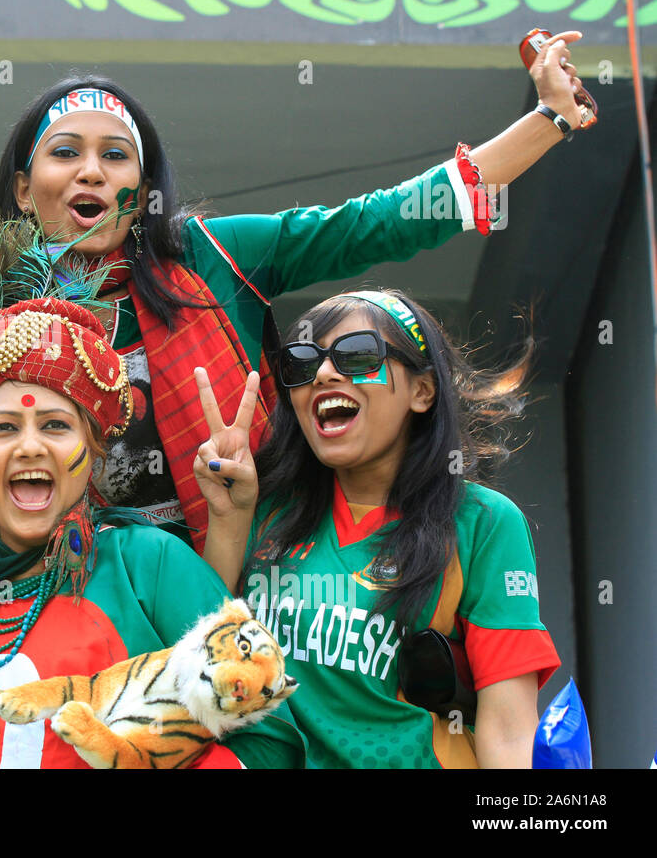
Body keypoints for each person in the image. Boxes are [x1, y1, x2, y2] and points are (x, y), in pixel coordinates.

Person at [0, 0, 593, 554]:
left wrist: (550, 118)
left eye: (116, 155)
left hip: (227, 598)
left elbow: (379, 223)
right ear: (21, 187)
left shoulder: (217, 256)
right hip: (52, 609)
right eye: (65, 152)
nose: (91, 172)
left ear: (146, 191)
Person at [0, 294, 305, 768]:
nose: (30, 447)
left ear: (93, 451)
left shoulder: (147, 563)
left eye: (56, 425)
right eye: (2, 428)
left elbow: (266, 741)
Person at [207, 289, 559, 768]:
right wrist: (228, 518)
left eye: (356, 355)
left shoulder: (483, 522)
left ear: (422, 391)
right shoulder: (260, 506)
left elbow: (510, 729)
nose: (325, 373)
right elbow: (198, 665)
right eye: (301, 364)